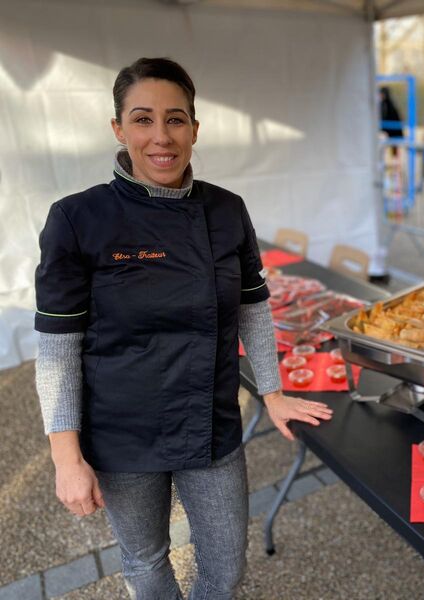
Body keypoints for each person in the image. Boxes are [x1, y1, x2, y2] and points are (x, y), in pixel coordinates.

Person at [33, 57, 333, 599]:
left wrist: (273, 391)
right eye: (143, 119)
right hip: (121, 431)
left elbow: (253, 308)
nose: (161, 137)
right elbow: (58, 347)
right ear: (118, 129)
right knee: (146, 562)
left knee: (226, 568)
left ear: (195, 129)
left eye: (176, 119)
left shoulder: (227, 210)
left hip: (209, 422)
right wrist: (65, 456)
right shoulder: (78, 218)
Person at [379, 86, 404, 157]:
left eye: (381, 94)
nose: (380, 96)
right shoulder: (384, 104)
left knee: (394, 152)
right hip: (388, 132)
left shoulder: (387, 105)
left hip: (391, 132)